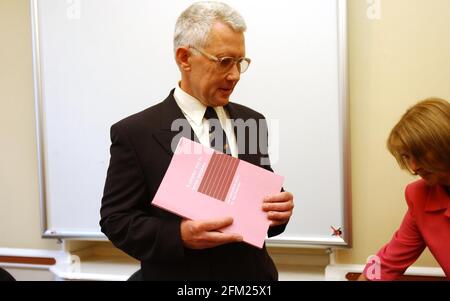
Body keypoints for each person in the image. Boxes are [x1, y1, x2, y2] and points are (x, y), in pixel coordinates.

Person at [100, 1, 294, 281]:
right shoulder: (135, 133)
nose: (235, 75)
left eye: (241, 62)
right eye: (225, 61)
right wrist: (178, 236)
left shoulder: (252, 121)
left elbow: (260, 213)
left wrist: (278, 212)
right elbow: (115, 221)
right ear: (185, 58)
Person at [361, 98, 450, 280]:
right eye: (407, 157)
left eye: (419, 153)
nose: (414, 167)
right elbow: (386, 264)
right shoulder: (420, 196)